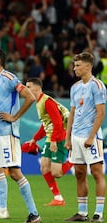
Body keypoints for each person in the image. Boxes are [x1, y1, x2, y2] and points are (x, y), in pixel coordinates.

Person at [0, 47, 41, 223]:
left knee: (14, 172)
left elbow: (29, 97)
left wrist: (15, 117)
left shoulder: (9, 78)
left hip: (6, 134)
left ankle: (34, 214)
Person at [65, 52, 106, 223]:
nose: (74, 68)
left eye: (78, 65)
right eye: (74, 65)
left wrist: (91, 137)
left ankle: (98, 213)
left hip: (91, 137)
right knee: (79, 173)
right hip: (75, 137)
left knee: (96, 173)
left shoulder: (98, 86)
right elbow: (72, 114)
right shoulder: (74, 88)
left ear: (88, 66)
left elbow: (100, 113)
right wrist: (68, 138)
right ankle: (82, 213)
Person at [25, 78, 74, 206]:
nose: (26, 89)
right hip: (50, 137)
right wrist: (35, 139)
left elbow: (57, 122)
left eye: (28, 87)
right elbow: (46, 124)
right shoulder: (39, 102)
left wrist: (54, 141)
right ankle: (58, 198)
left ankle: (75, 159)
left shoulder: (47, 101)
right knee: (44, 167)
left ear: (36, 89)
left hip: (59, 137)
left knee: (57, 173)